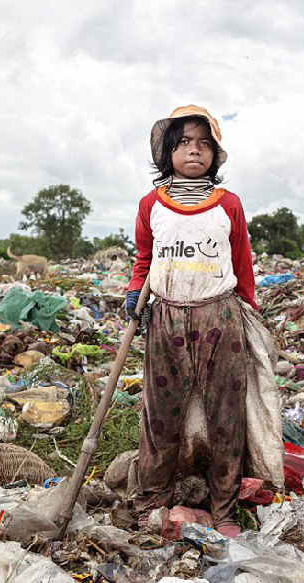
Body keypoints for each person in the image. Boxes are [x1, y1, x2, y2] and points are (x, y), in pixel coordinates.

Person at [125, 105, 258, 538]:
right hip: (165, 319)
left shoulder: (229, 205)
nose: (194, 151)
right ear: (167, 153)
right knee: (160, 416)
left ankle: (224, 509)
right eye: (184, 143)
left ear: (216, 155)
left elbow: (242, 263)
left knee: (226, 417)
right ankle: (153, 500)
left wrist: (249, 311)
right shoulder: (151, 205)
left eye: (204, 144)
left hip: (219, 316)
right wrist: (134, 291)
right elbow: (145, 258)